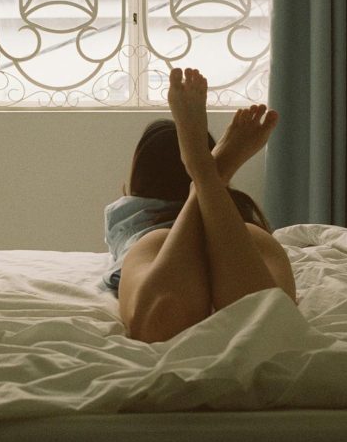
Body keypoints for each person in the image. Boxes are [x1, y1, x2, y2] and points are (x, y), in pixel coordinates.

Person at [103, 67, 296, 343]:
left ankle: (205, 174)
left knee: (155, 323)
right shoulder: (250, 230)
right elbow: (270, 331)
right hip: (236, 231)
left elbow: (156, 331)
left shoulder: (132, 217)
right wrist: (212, 175)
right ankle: (208, 176)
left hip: (159, 244)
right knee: (268, 319)